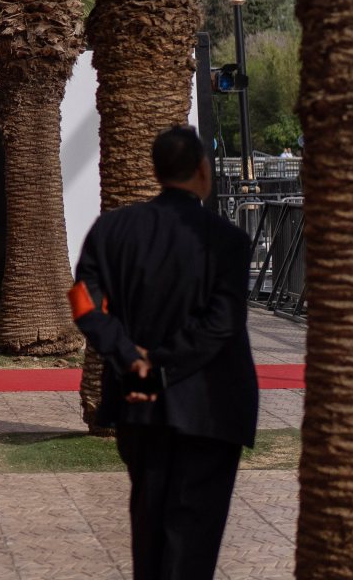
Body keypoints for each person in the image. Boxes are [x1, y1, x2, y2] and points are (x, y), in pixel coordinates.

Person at [71, 126, 256, 580]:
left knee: (149, 530)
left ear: (156, 171)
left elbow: (82, 300)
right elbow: (222, 323)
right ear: (201, 171)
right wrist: (161, 367)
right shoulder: (227, 240)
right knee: (194, 540)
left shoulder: (112, 229)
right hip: (209, 409)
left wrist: (130, 359)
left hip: (139, 407)